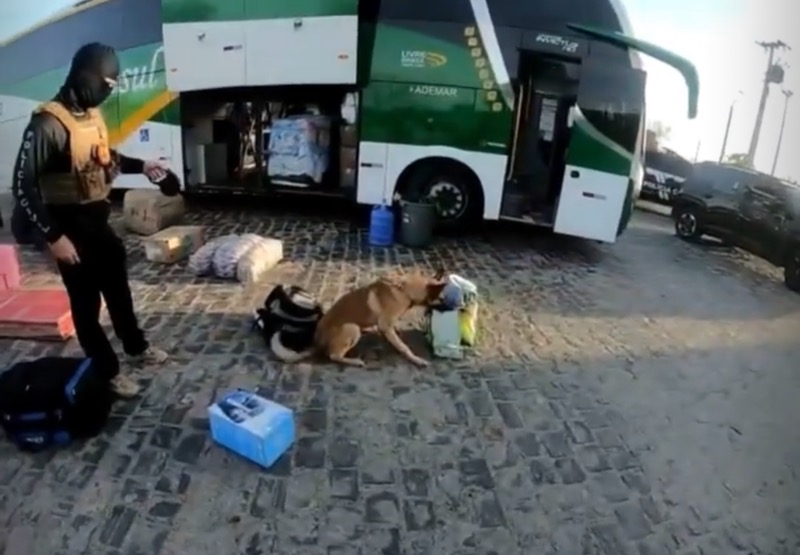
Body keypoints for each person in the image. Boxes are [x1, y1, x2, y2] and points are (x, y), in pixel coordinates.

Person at [11, 42, 168, 398]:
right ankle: (107, 370)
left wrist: (140, 166)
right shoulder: (47, 124)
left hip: (98, 222)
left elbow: (101, 157)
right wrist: (53, 237)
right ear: (86, 77)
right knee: (86, 305)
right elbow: (22, 185)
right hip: (68, 230)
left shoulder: (89, 116)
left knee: (118, 290)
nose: (106, 93)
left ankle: (135, 347)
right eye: (105, 85)